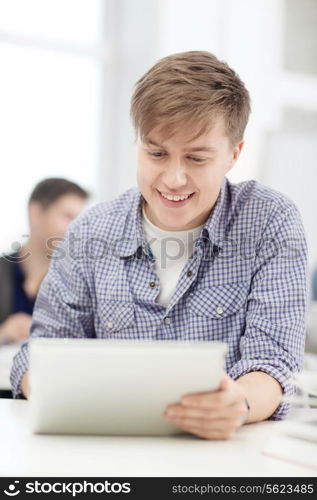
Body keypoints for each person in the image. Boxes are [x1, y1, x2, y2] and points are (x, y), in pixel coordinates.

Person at [11, 51, 307, 440]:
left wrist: (240, 403)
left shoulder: (270, 222)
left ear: (234, 154)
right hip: (105, 452)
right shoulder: (90, 233)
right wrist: (57, 392)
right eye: (157, 154)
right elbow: (38, 353)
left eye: (197, 158)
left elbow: (273, 363)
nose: (174, 178)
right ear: (137, 143)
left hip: (225, 458)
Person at [0, 177, 89, 347]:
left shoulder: (78, 283)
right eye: (67, 216)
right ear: (35, 212)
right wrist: (3, 334)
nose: (75, 228)